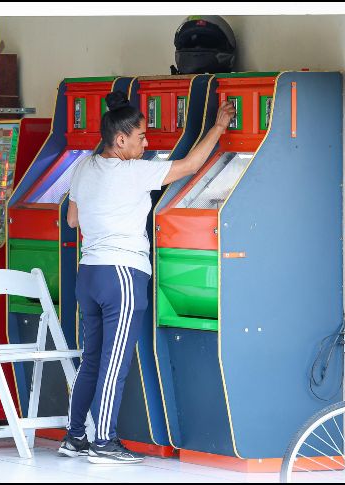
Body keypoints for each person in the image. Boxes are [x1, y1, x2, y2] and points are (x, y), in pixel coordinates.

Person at [58, 91, 235, 464]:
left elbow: (73, 220)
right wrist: (219, 127)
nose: (147, 142)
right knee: (115, 361)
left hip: (88, 275)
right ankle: (103, 441)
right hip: (121, 274)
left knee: (92, 359)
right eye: (141, 137)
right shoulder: (134, 170)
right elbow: (188, 166)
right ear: (120, 140)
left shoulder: (84, 168)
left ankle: (75, 436)